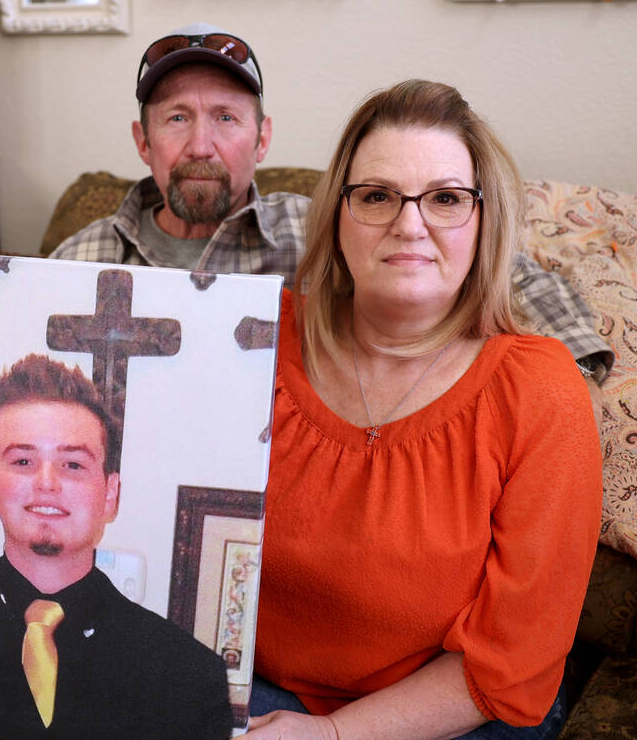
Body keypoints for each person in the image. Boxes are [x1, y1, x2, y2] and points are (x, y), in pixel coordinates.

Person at [0, 25, 611, 740]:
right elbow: (2, 399)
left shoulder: (310, 240)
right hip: (105, 511)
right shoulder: (85, 256)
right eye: (177, 119)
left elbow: (478, 278)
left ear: (262, 136)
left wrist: (553, 386)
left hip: (203, 556)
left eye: (226, 118)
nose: (202, 142)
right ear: (144, 138)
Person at [241, 80, 602, 740]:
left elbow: (511, 662)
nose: (410, 225)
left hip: (455, 712)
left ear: (483, 219)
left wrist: (330, 736)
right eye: (376, 196)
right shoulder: (253, 337)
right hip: (252, 685)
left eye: (444, 198)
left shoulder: (540, 391)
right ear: (338, 217)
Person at [0, 354, 232, 738]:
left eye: (73, 465)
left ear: (110, 494)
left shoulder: (187, 674)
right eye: (23, 460)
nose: (46, 482)